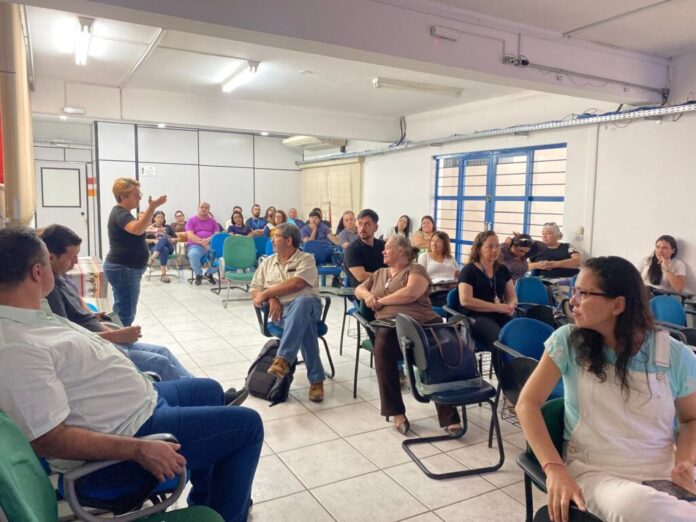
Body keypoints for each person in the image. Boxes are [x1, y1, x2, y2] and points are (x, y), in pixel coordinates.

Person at [0, 227, 263, 522]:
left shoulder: (32, 315)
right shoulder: (16, 346)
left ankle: (207, 499)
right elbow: (50, 439)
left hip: (138, 406)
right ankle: (230, 516)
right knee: (248, 426)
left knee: (209, 389)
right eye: (48, 263)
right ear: (37, 272)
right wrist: (138, 449)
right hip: (130, 434)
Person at [516, 256, 696, 522]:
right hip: (596, 471)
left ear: (618, 305)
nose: (572, 301)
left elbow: (691, 418)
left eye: (584, 293)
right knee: (640, 507)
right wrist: (554, 468)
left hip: (662, 469)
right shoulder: (568, 342)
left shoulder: (673, 354)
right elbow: (526, 404)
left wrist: (685, 462)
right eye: (574, 291)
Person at [355, 235, 463, 435]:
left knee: (436, 351)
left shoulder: (415, 270)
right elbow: (359, 289)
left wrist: (380, 301)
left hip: (422, 323)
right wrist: (368, 296)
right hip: (390, 326)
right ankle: (396, 412)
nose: (383, 251)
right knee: (382, 347)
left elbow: (411, 293)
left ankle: (449, 415)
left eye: (388, 248)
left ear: (401, 251)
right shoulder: (379, 273)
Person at [250, 223, 327, 402]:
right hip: (281, 313)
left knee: (302, 302)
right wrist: (271, 298)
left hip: (310, 305)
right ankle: (316, 380)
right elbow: (255, 291)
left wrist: (268, 292)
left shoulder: (306, 259)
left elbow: (297, 284)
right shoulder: (267, 262)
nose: (272, 240)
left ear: (289, 240)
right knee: (304, 325)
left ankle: (283, 358)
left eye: (276, 236)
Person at [104, 178, 166, 327]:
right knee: (125, 315)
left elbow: (139, 228)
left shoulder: (123, 213)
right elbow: (137, 229)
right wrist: (152, 207)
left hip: (124, 268)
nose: (139, 198)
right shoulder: (121, 213)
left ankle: (116, 335)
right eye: (136, 195)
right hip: (124, 268)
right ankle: (121, 339)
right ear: (123, 196)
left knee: (121, 310)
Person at [458, 230, 517, 375]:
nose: (495, 250)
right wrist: (496, 307)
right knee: (499, 340)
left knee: (518, 335)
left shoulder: (502, 269)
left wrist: (511, 305)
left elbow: (512, 296)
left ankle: (520, 378)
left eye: (497, 246)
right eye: (490, 247)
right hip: (476, 317)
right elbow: (465, 300)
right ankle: (505, 381)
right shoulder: (469, 270)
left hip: (500, 313)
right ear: (479, 249)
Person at [343, 209, 386, 287]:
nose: (362, 228)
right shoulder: (352, 249)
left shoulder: (383, 246)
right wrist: (389, 276)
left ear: (375, 227)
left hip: (385, 286)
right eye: (360, 224)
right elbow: (361, 277)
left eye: (367, 224)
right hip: (363, 289)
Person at [418, 231, 459, 306]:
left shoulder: (451, 258)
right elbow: (421, 276)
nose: (434, 244)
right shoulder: (424, 256)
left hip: (450, 289)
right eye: (433, 241)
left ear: (445, 244)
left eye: (438, 241)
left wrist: (455, 284)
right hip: (434, 290)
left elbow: (458, 275)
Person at [186, 202, 219, 286]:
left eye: (206, 208)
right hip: (196, 245)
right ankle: (198, 274)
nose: (204, 209)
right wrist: (202, 242)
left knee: (222, 257)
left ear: (209, 210)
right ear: (198, 208)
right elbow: (190, 235)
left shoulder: (213, 221)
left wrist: (208, 240)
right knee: (193, 254)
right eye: (202, 207)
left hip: (211, 245)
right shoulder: (191, 220)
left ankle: (209, 274)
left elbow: (216, 234)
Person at [145, 211, 177, 283]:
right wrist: (153, 240)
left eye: (162, 217)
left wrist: (173, 240)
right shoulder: (149, 228)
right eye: (158, 217)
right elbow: (143, 240)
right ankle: (163, 274)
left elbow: (177, 238)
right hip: (154, 248)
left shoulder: (168, 227)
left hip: (169, 248)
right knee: (164, 249)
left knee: (164, 238)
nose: (160, 219)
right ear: (154, 218)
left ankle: (152, 258)